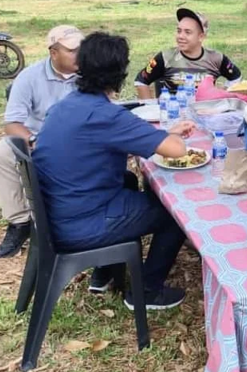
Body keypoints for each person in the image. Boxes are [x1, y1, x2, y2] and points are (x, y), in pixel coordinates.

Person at [33, 32, 197, 309]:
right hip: (81, 224)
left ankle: (105, 271)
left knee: (129, 179)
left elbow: (97, 142)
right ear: (119, 75)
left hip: (58, 212)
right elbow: (177, 150)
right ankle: (146, 292)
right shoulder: (107, 115)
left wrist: (162, 134)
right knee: (176, 212)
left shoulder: (66, 106)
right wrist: (173, 137)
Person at [0, 25, 84, 258]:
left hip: (78, 142)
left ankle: (76, 221)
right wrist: (35, 141)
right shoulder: (29, 77)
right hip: (37, 140)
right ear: (53, 52)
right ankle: (20, 222)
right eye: (72, 50)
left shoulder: (91, 75)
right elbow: (12, 124)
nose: (80, 55)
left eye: (83, 48)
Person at [134, 8, 243, 98]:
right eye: (179, 31)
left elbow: (236, 77)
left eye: (188, 32)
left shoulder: (216, 58)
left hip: (205, 114)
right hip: (173, 115)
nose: (181, 36)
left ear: (201, 37)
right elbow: (141, 81)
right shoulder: (165, 57)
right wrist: (150, 108)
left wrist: (223, 95)